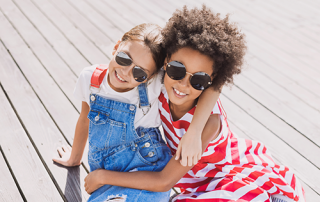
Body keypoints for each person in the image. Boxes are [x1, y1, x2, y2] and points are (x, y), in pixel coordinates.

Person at [83, 6, 305, 202]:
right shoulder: (161, 82)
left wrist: (102, 176)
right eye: (177, 70)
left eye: (198, 80)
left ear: (211, 80)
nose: (183, 84)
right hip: (190, 184)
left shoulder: (207, 122)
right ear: (166, 63)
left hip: (225, 176)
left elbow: (164, 181)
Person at [53, 23, 219, 202]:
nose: (125, 72)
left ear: (152, 76)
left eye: (139, 73)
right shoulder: (90, 79)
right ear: (116, 47)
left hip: (148, 171)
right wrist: (74, 158)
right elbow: (85, 119)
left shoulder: (154, 87)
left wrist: (194, 131)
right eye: (124, 58)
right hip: (105, 173)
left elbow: (214, 84)